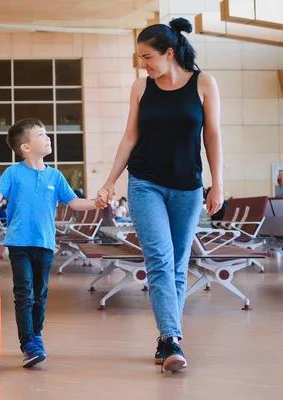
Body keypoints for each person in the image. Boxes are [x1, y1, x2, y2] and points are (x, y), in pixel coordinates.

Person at [95, 18, 224, 372]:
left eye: (147, 56)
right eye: (140, 58)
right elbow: (129, 137)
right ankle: (170, 338)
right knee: (160, 260)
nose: (143, 64)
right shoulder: (140, 88)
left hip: (188, 186)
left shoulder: (203, 83)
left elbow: (212, 136)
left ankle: (169, 337)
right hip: (145, 183)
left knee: (179, 265)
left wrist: (218, 184)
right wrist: (109, 182)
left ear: (169, 53)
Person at [0, 118, 101, 368]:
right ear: (25, 147)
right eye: (41, 134)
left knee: (41, 294)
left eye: (46, 133)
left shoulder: (55, 176)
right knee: (24, 293)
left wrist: (95, 203)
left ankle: (36, 336)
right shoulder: (13, 173)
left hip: (45, 243)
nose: (47, 137)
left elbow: (73, 202)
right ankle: (28, 344)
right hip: (18, 243)